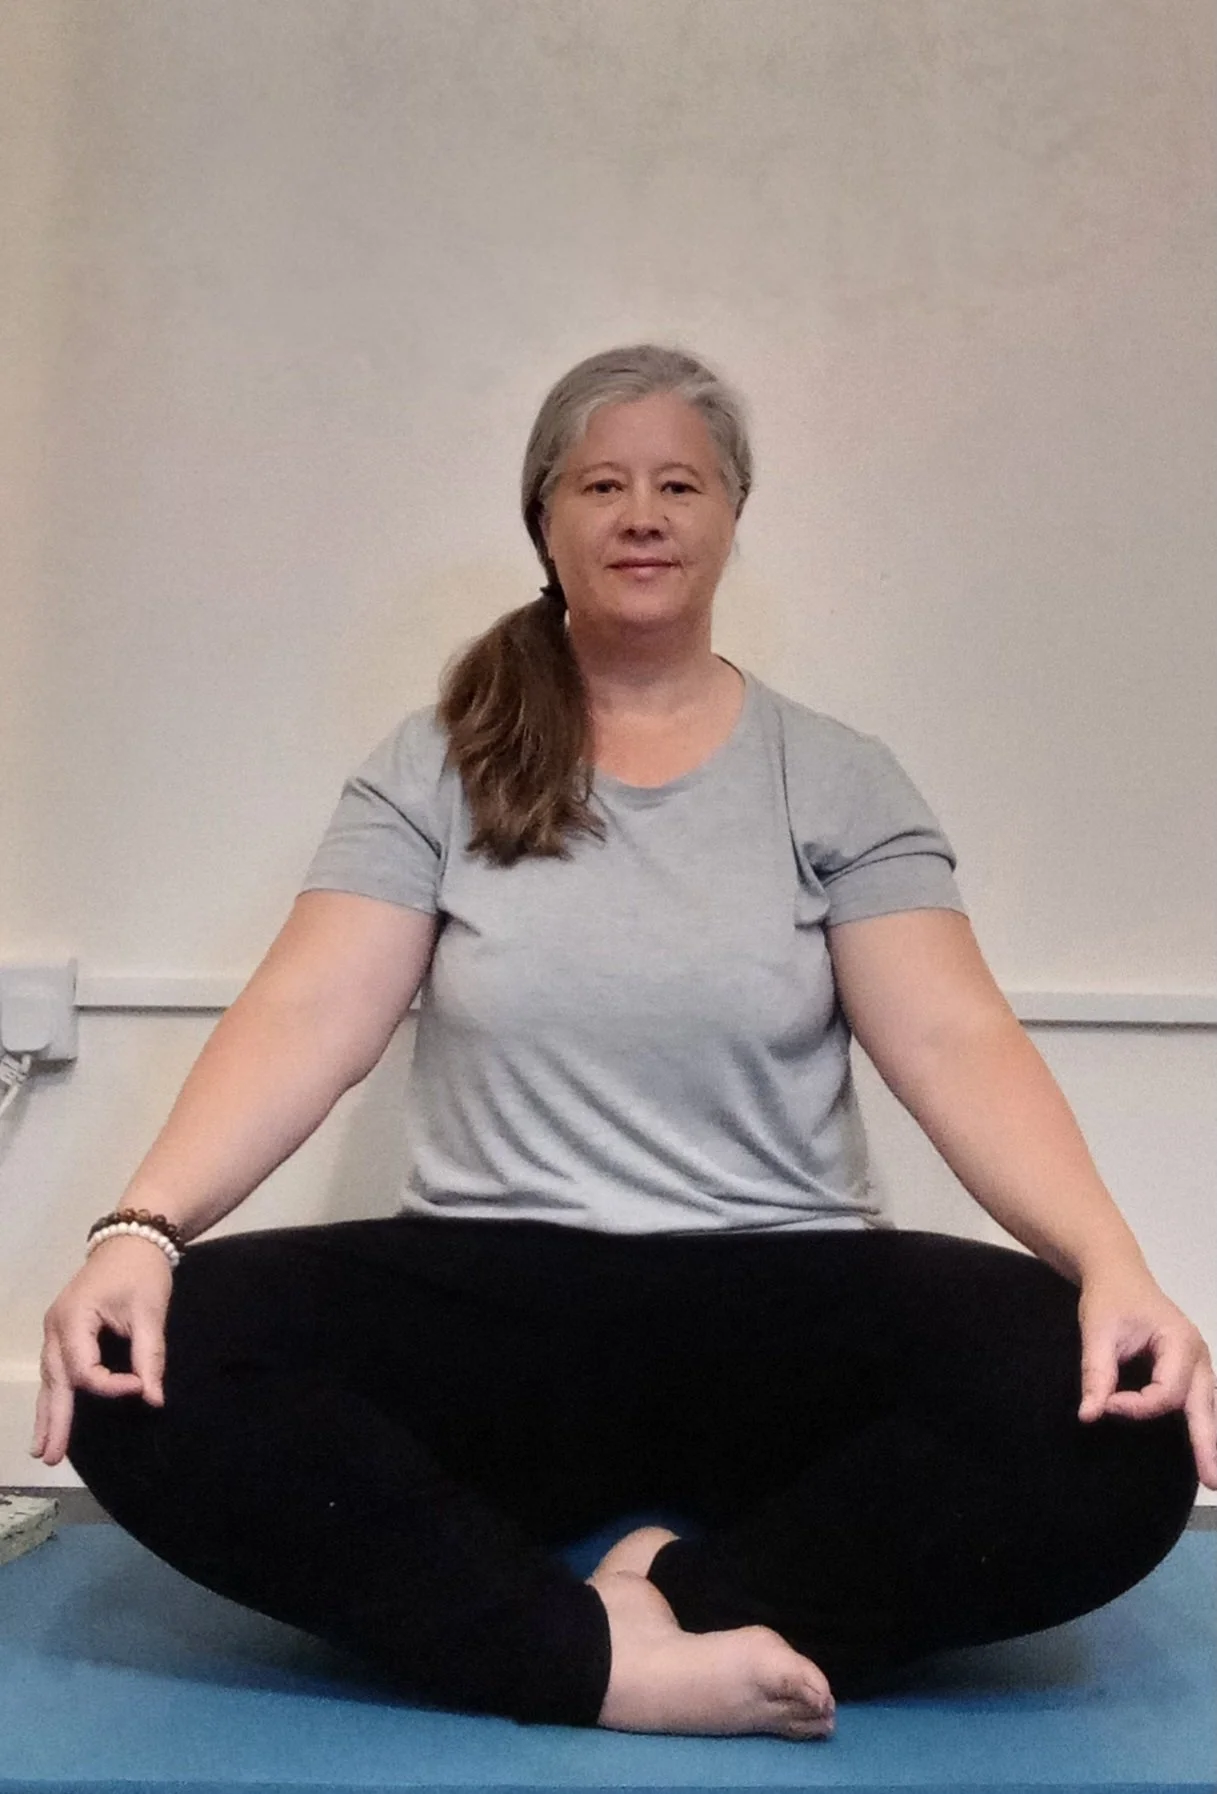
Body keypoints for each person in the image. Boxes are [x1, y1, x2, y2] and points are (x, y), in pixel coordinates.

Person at [33, 344, 1214, 1741]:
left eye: (678, 481)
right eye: (602, 481)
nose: (641, 511)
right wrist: (139, 1229)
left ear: (730, 515)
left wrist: (1114, 1262)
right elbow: (306, 1012)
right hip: (502, 1313)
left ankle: (690, 1590)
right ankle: (596, 1658)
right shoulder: (438, 761)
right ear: (546, 517)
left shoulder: (835, 773)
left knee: (1131, 1418)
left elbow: (954, 1035)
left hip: (781, 1298)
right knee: (142, 1367)